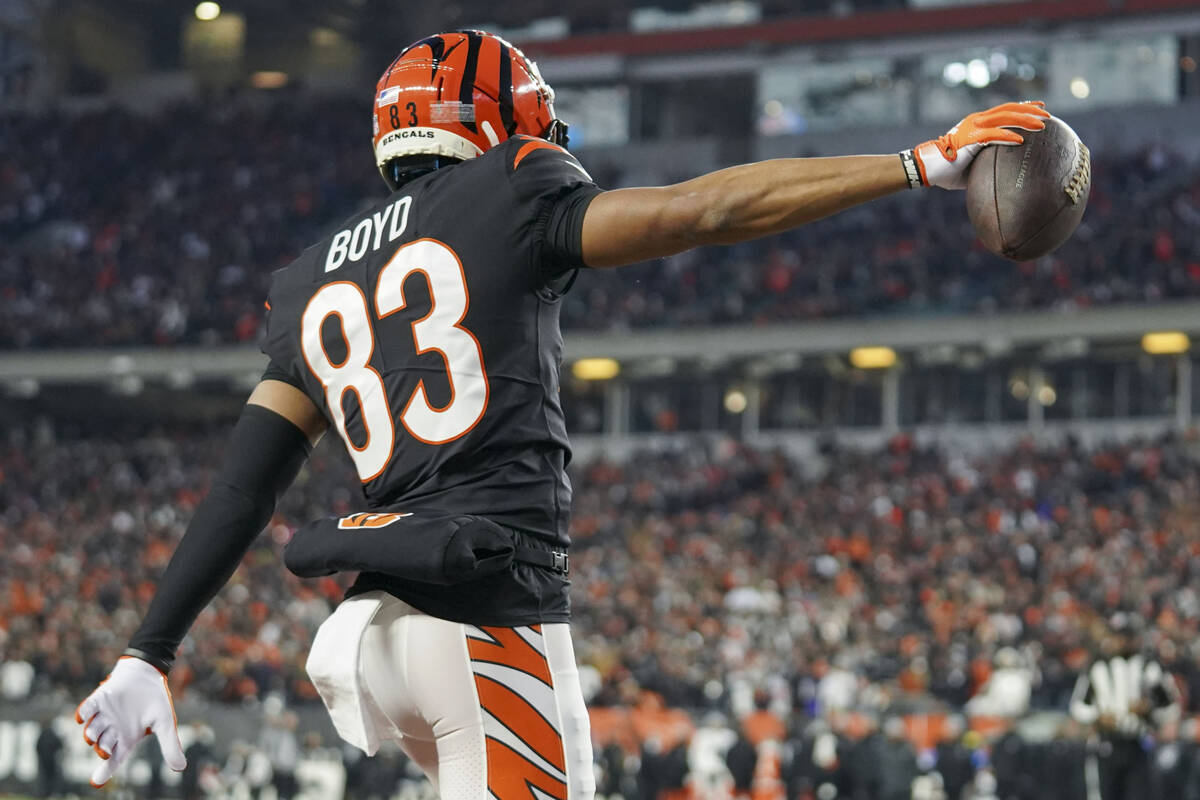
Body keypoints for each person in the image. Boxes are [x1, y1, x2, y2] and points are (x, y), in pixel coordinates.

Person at [72, 28, 1050, 799]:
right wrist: (917, 162)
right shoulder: (511, 188)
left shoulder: (306, 279)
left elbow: (244, 484)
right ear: (505, 124)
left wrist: (147, 648)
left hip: (369, 626)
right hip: (482, 611)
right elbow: (700, 210)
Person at [1069, 643, 1181, 800]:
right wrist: (1098, 716)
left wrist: (1149, 708)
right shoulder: (1098, 666)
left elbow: (1170, 706)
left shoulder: (1148, 666)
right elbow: (1077, 706)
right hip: (1106, 744)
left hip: (1139, 744)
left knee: (1139, 794)